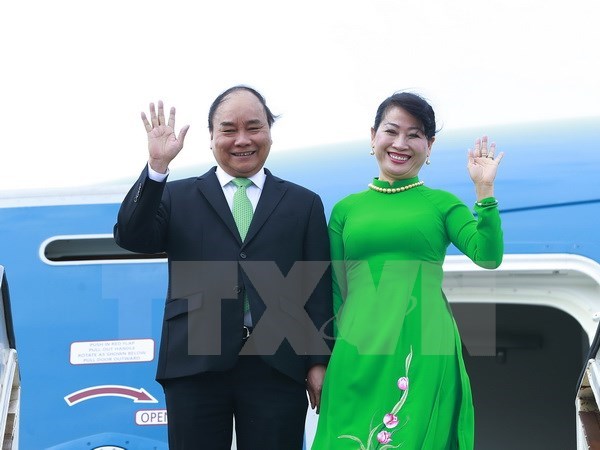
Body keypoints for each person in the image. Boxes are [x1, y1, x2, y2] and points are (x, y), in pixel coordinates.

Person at [114, 85, 333, 450]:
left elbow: (317, 289)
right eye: (229, 129)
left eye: (254, 127)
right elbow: (131, 236)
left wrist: (318, 361)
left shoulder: (303, 203)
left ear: (269, 132)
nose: (242, 139)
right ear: (211, 136)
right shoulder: (176, 195)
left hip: (278, 365)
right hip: (194, 362)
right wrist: (157, 168)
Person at [311, 92, 504, 449]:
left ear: (429, 146)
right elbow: (334, 290)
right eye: (391, 131)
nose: (401, 143)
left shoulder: (443, 204)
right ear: (373, 137)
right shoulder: (345, 210)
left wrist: (485, 191)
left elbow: (488, 256)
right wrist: (324, 359)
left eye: (414, 135)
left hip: (421, 345)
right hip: (356, 348)